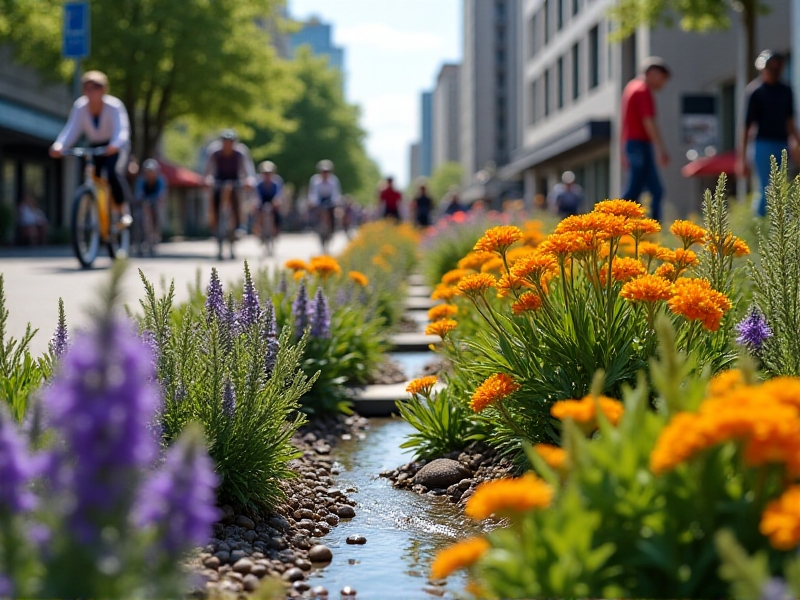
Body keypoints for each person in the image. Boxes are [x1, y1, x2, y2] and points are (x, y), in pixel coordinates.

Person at [49, 70, 133, 227]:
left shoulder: (114, 106)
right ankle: (93, 207)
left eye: (95, 88)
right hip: (95, 145)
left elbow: (122, 129)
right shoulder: (80, 107)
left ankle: (123, 212)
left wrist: (115, 145)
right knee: (92, 175)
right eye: (86, 88)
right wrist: (59, 146)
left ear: (103, 90)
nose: (90, 92)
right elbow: (71, 130)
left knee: (112, 173)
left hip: (114, 146)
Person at [738, 50, 800, 217]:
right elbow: (746, 126)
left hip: (782, 143)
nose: (774, 71)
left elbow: (790, 121)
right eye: (770, 67)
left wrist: (796, 142)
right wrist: (742, 158)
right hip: (761, 144)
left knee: (781, 188)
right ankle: (760, 227)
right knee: (766, 187)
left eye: (777, 67)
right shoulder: (755, 91)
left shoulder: (786, 91)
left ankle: (779, 232)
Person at [620, 57, 671, 222]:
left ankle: (625, 226)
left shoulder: (631, 87)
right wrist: (661, 149)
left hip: (632, 144)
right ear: (653, 73)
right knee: (638, 191)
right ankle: (616, 224)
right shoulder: (643, 90)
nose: (663, 84)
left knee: (643, 190)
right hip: (640, 145)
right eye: (662, 79)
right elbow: (648, 120)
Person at [203, 129, 257, 238]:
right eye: (225, 142)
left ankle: (239, 226)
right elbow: (208, 169)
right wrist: (208, 179)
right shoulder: (215, 152)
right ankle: (215, 226)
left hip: (235, 179)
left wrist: (249, 180)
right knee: (214, 200)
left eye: (230, 142)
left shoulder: (240, 153)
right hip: (219, 179)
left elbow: (246, 170)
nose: (228, 145)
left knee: (238, 199)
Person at [134, 159, 167, 247]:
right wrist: (140, 199)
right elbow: (139, 193)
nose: (149, 173)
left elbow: (161, 193)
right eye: (147, 171)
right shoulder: (141, 180)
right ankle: (139, 237)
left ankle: (156, 234)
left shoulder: (160, 180)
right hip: (144, 202)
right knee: (138, 216)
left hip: (155, 201)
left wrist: (157, 200)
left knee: (157, 214)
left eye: (151, 171)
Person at [308, 159, 342, 237]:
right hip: (319, 199)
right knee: (314, 212)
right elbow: (313, 193)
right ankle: (315, 226)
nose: (325, 174)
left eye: (327, 172)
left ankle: (332, 228)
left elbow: (336, 193)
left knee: (333, 213)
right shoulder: (315, 180)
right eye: (323, 172)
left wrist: (335, 202)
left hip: (330, 199)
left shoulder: (334, 180)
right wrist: (313, 202)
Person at [255, 160, 284, 238]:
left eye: (269, 173)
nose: (267, 175)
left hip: (273, 199)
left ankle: (276, 229)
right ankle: (258, 227)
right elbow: (256, 195)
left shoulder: (277, 181)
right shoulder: (258, 182)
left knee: (277, 211)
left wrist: (277, 201)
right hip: (262, 199)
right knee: (257, 210)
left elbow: (279, 193)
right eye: (265, 173)